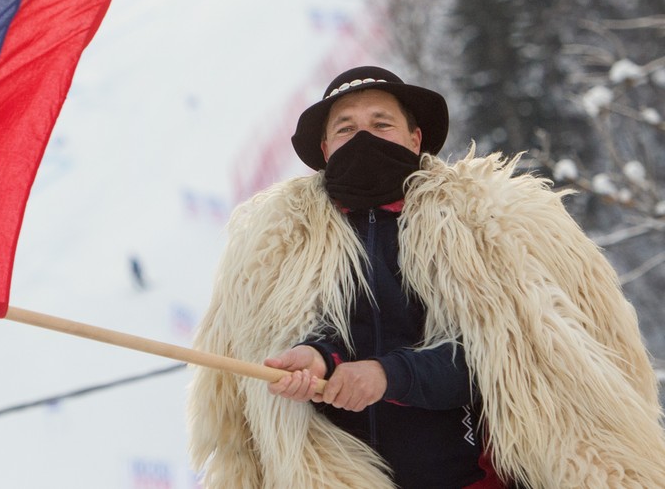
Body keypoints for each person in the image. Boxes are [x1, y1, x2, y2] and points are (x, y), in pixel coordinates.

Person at [188, 66, 665, 488]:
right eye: (347, 128)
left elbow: (515, 352)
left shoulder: (486, 223)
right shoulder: (276, 248)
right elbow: (312, 329)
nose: (364, 138)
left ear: (415, 139)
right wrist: (315, 357)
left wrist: (389, 376)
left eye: (381, 124)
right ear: (325, 148)